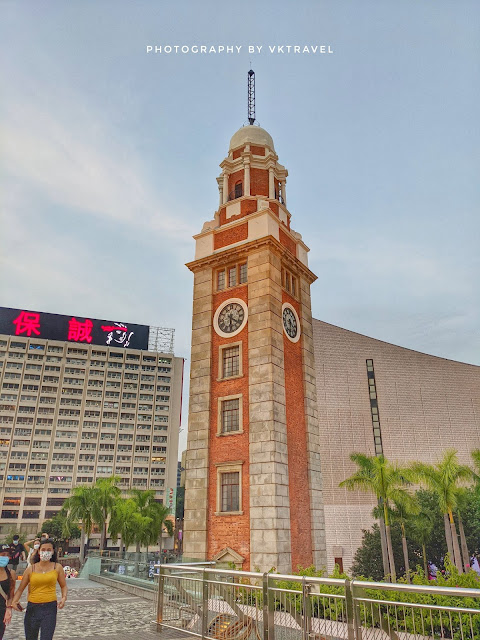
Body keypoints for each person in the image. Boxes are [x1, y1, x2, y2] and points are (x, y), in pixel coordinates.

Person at [11, 538, 67, 640]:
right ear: (39, 551)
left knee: (46, 637)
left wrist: (64, 598)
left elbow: (63, 586)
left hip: (49, 608)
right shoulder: (31, 569)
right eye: (43, 549)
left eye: (49, 550)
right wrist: (14, 601)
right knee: (31, 637)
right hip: (33, 607)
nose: (46, 552)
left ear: (53, 551)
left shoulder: (57, 567)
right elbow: (20, 589)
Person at [0, 544, 15, 639]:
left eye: (7, 555)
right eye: (2, 554)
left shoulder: (11, 573)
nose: (5, 557)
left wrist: (9, 609)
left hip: (1, 610)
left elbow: (11, 594)